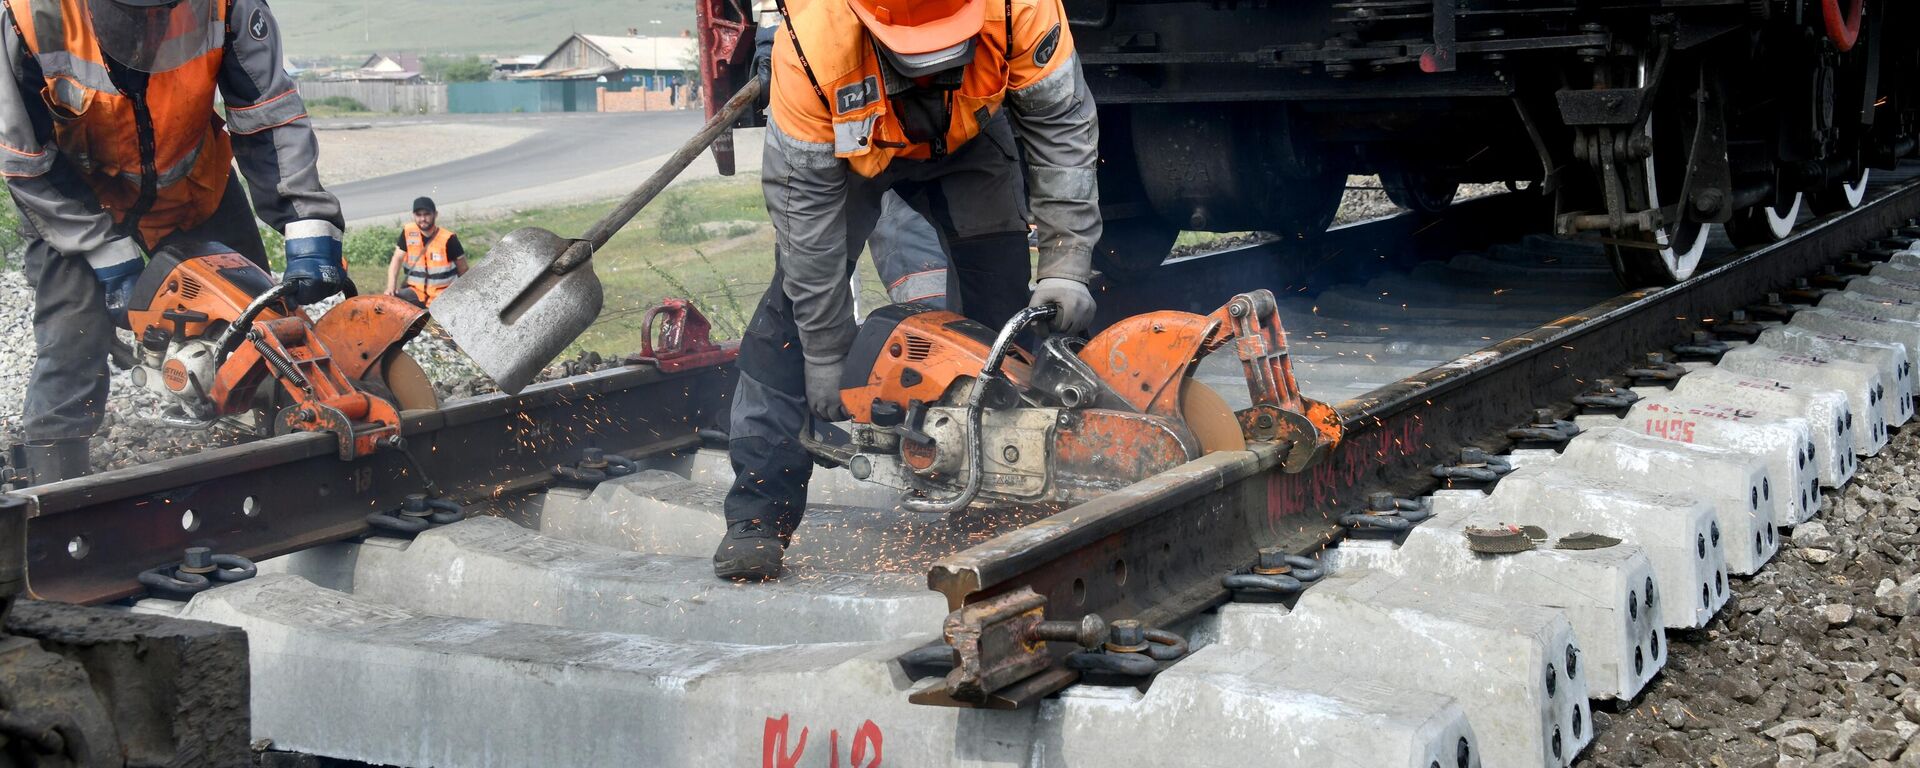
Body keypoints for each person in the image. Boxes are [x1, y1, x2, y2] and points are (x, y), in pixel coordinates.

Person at [713, 0, 1102, 580]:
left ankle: (1011, 491)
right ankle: (757, 517)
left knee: (1007, 322)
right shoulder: (812, 47)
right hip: (849, 159)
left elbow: (1061, 125)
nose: (932, 66)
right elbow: (806, 220)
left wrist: (1066, 260)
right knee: (788, 321)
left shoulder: (1022, 7)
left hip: (970, 141)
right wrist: (824, 348)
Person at [0, 0, 347, 484]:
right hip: (77, 200)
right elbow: (26, 161)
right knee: (72, 333)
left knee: (258, 323)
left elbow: (268, 115)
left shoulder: (229, 6)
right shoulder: (29, 18)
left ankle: (289, 456)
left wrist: (307, 221)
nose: (154, 29)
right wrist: (104, 252)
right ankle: (54, 482)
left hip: (194, 186)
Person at [384, 196, 467, 307]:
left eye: (427, 214)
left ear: (435, 214)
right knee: (387, 303)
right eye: (419, 215)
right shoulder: (408, 232)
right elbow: (397, 258)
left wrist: (461, 296)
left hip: (443, 296)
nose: (423, 219)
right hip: (416, 292)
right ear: (413, 216)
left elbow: (464, 270)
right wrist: (391, 286)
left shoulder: (448, 238)